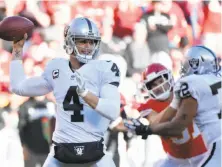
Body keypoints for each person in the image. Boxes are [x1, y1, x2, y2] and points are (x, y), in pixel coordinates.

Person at [10, 17, 121, 167]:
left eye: (92, 41)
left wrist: (85, 94)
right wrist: (17, 51)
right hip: (61, 152)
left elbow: (112, 111)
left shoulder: (104, 69)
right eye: (82, 41)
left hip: (95, 152)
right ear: (70, 41)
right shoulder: (57, 68)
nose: (88, 46)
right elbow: (19, 87)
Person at [125, 46, 221, 167]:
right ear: (147, 89)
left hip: (202, 154)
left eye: (161, 81)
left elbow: (177, 126)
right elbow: (154, 121)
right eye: (153, 84)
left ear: (169, 77)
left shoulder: (187, 90)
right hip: (175, 159)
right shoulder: (150, 105)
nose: (159, 86)